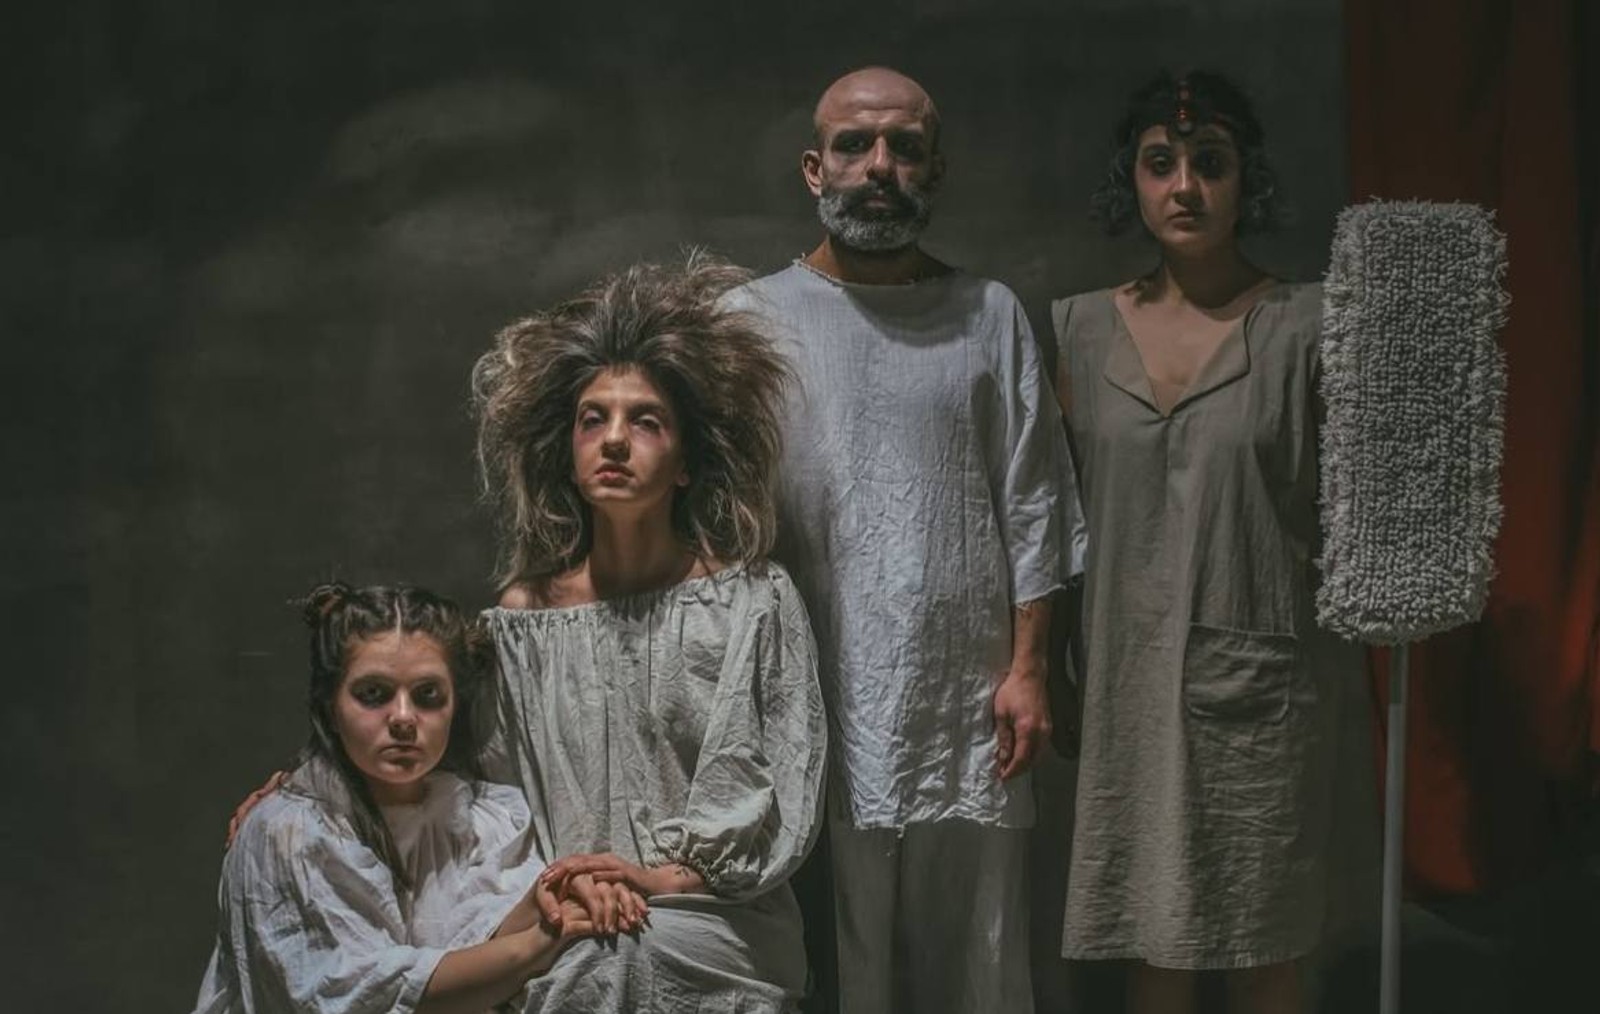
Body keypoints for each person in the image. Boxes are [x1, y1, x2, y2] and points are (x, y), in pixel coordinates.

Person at [725, 67, 1084, 1014]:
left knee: (975, 937)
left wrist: (1030, 669)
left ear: (935, 170)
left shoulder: (988, 313)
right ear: (815, 168)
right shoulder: (749, 322)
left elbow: (1034, 501)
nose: (879, 166)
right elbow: (715, 520)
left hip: (968, 692)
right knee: (832, 941)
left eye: (905, 147)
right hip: (812, 680)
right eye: (854, 145)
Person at [1053, 70, 1377, 1014]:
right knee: (1151, 937)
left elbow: (1355, 507)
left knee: (1261, 938)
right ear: (1133, 179)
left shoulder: (1308, 326)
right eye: (1161, 163)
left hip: (1261, 682)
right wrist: (1051, 662)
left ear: (1247, 180)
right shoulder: (1080, 331)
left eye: (1210, 162)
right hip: (1123, 673)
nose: (1185, 186)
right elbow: (1053, 519)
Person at [471, 252, 828, 1012]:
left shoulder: (752, 602)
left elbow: (777, 792)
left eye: (645, 421)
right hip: (570, 909)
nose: (613, 440)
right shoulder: (523, 621)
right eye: (592, 419)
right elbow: (487, 798)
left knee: (620, 957)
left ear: (687, 462)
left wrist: (651, 878)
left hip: (720, 913)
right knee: (593, 957)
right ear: (569, 454)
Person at [194, 581, 627, 1014]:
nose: (403, 718)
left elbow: (476, 943)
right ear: (330, 707)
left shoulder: (481, 817)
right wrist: (537, 942)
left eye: (427, 696)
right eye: (373, 694)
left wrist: (550, 896)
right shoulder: (290, 832)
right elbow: (358, 996)